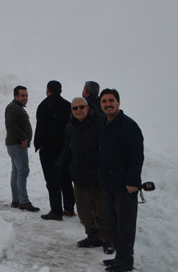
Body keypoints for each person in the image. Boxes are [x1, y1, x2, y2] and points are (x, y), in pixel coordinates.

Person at [56, 97, 112, 253]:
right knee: (83, 211)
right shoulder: (70, 127)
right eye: (75, 108)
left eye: (81, 107)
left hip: (98, 176)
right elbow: (68, 148)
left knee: (102, 211)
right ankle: (94, 236)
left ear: (88, 108)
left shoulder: (101, 123)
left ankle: (108, 239)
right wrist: (60, 162)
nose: (78, 110)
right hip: (79, 176)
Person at [99, 89, 144, 272]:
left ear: (118, 102)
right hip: (108, 183)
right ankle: (120, 256)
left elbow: (136, 155)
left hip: (125, 186)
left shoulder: (128, 126)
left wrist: (133, 180)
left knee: (125, 225)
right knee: (113, 224)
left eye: (111, 100)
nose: (107, 104)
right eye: (104, 101)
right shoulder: (106, 124)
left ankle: (125, 262)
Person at [35, 80, 75, 220]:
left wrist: (38, 143)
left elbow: (40, 127)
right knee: (66, 178)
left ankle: (56, 211)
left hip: (48, 149)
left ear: (48, 90)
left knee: (52, 180)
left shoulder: (44, 105)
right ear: (61, 90)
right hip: (64, 148)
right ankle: (69, 208)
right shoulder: (68, 106)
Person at [4, 85, 40, 211]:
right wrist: (23, 137)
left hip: (16, 144)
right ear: (16, 96)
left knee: (16, 172)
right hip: (17, 144)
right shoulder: (13, 108)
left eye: (26, 95)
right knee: (23, 171)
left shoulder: (17, 107)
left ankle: (16, 200)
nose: (25, 98)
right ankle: (23, 201)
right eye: (22, 95)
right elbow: (10, 124)